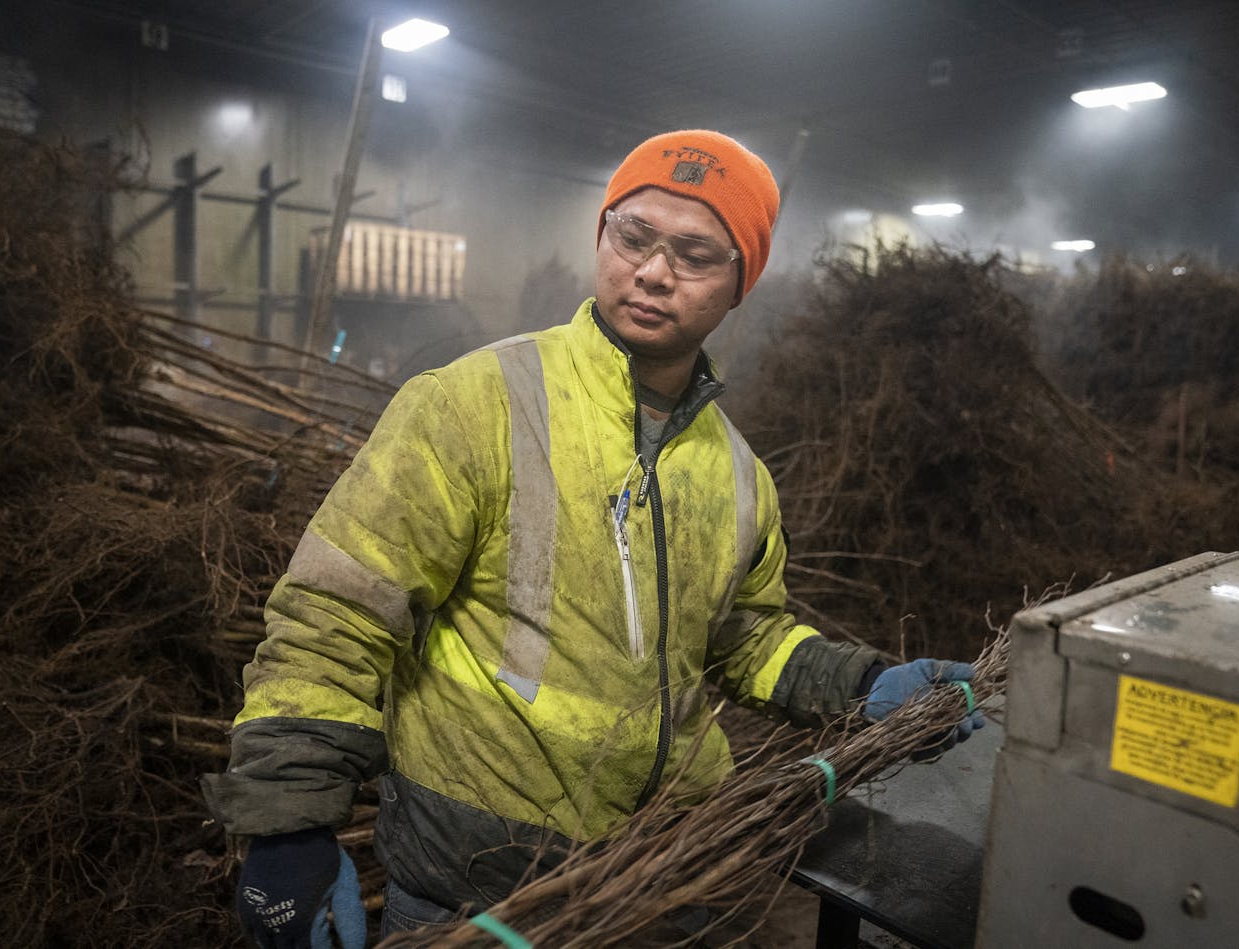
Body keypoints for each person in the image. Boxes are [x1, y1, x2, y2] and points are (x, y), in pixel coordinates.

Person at [201, 129, 984, 948]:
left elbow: (744, 640)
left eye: (694, 254)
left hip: (662, 883)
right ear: (601, 236)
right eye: (633, 236)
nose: (651, 271)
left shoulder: (741, 477)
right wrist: (290, 829)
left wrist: (865, 685)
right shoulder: (477, 404)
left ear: (739, 283)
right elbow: (334, 613)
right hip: (471, 895)